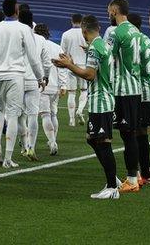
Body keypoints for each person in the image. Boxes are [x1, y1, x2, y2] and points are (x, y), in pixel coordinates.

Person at [53, 15, 119, 200]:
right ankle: (112, 178)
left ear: (84, 31)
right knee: (92, 139)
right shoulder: (102, 45)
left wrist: (69, 65)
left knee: (102, 142)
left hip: (101, 101)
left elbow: (89, 75)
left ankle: (112, 187)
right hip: (104, 99)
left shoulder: (95, 48)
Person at [0, 0, 44, 168]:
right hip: (16, 75)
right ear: (17, 10)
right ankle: (8, 158)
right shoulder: (24, 28)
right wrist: (40, 77)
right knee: (13, 115)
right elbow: (33, 57)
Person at [106, 0, 142, 193]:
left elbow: (107, 57)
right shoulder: (135, 31)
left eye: (108, 11)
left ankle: (131, 179)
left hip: (123, 90)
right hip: (135, 88)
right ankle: (134, 176)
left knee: (127, 135)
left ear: (114, 10)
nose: (107, 14)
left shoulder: (116, 32)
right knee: (131, 134)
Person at [19, 9, 51, 161]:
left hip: (16, 79)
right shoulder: (40, 40)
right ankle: (31, 147)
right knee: (33, 115)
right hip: (33, 80)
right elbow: (46, 63)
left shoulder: (15, 36)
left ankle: (24, 147)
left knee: (18, 116)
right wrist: (45, 78)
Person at [127, 13, 150, 185]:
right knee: (141, 131)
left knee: (137, 132)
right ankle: (146, 171)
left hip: (140, 90)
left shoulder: (135, 41)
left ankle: (142, 174)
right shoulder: (146, 40)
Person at [35, 23, 67, 156]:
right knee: (53, 114)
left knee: (45, 114)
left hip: (41, 84)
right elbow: (63, 67)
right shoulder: (57, 47)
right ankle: (53, 140)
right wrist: (63, 85)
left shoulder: (35, 46)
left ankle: (52, 142)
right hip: (55, 86)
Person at [60, 13, 88, 127]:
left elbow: (62, 52)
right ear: (82, 22)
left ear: (72, 21)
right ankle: (80, 110)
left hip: (71, 66)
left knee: (71, 93)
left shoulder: (66, 34)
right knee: (84, 91)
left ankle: (71, 120)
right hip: (84, 66)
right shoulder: (85, 33)